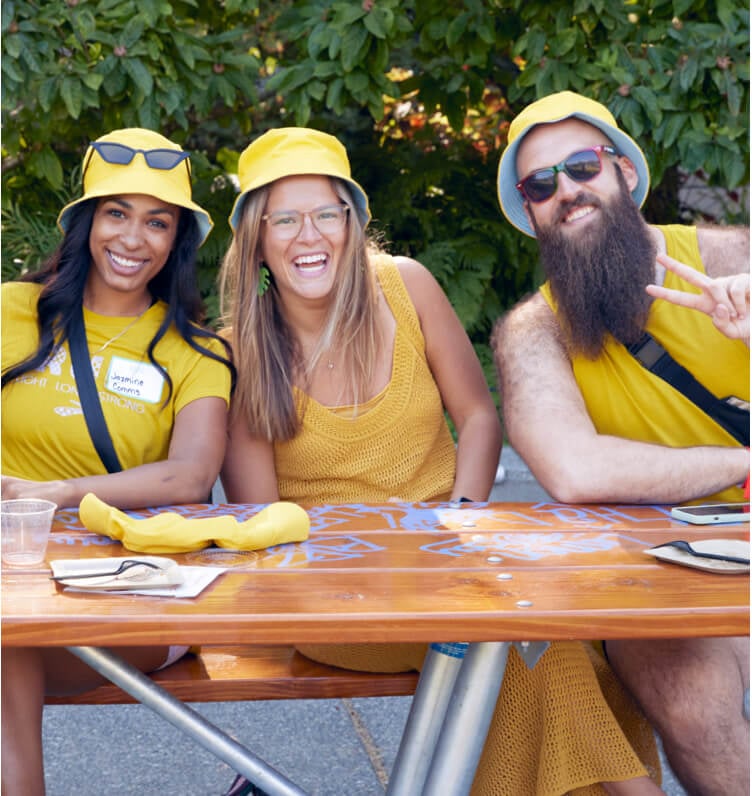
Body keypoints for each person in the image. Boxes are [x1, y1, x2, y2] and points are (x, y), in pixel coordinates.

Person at [218, 127, 663, 796]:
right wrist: (379, 565)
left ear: (352, 222)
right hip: (335, 598)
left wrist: (461, 518)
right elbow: (263, 525)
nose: (308, 235)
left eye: (325, 214)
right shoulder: (239, 351)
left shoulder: (406, 286)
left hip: (453, 557)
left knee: (546, 636)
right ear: (256, 238)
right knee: (515, 640)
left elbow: (479, 417)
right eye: (283, 218)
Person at [492, 90, 749, 796]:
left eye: (582, 167)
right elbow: (574, 470)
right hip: (669, 572)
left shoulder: (735, 258)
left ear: (626, 174)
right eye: (541, 186)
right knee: (692, 704)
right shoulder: (533, 331)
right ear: (531, 214)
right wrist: (745, 467)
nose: (567, 193)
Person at [1, 127, 235, 796]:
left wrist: (47, 494)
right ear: (86, 223)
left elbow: (189, 475)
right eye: (116, 213)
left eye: (157, 222)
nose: (133, 239)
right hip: (10, 573)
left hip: (137, 587)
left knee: (5, 633)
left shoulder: (197, 351)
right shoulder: (12, 310)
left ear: (176, 241)